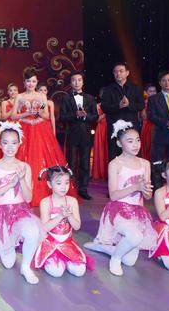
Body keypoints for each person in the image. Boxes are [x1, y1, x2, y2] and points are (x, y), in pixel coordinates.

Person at [84, 120, 155, 276]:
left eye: (137, 140)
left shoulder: (145, 164)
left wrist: (145, 189)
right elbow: (114, 195)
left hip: (137, 212)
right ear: (119, 143)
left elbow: (148, 195)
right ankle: (115, 259)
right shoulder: (115, 164)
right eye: (130, 141)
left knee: (129, 261)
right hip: (118, 210)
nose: (135, 144)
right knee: (135, 237)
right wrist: (135, 187)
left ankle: (104, 247)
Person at [0, 122, 41, 284]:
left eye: (14, 142)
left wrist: (21, 179)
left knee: (33, 231)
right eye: (6, 142)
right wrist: (9, 184)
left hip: (19, 211)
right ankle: (10, 242)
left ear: (19, 143)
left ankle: (26, 267)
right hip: (0, 214)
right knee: (8, 264)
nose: (10, 147)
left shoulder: (24, 167)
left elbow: (28, 198)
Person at [11, 67, 76, 206]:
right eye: (28, 81)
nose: (31, 84)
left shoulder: (41, 96)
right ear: (24, 82)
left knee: (42, 156)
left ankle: (44, 190)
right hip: (25, 129)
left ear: (36, 82)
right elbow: (14, 115)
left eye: (33, 81)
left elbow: (46, 115)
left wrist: (39, 112)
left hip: (40, 130)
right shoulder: (20, 96)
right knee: (24, 157)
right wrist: (26, 113)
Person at [34, 166, 87, 277]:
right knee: (56, 272)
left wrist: (69, 215)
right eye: (59, 183)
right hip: (50, 244)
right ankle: (56, 262)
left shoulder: (72, 201)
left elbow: (77, 226)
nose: (63, 187)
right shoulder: (45, 202)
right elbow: (45, 228)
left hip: (67, 243)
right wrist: (61, 216)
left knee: (79, 271)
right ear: (49, 184)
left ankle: (66, 261)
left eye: (67, 182)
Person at [59, 71, 98, 200]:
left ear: (83, 82)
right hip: (72, 134)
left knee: (85, 163)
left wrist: (86, 115)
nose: (77, 82)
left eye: (79, 80)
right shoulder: (66, 98)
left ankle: (83, 189)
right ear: (70, 83)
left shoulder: (90, 98)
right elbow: (62, 117)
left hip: (86, 134)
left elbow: (95, 116)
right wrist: (75, 114)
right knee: (71, 162)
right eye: (74, 80)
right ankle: (69, 188)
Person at [100, 63, 144, 160]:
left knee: (133, 152)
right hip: (114, 127)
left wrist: (129, 105)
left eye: (121, 71)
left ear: (127, 73)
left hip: (131, 126)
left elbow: (141, 105)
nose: (118, 74)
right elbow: (104, 107)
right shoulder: (108, 89)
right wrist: (118, 106)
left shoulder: (136, 88)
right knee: (114, 153)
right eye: (115, 72)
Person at [91, 89, 109, 181]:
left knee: (108, 149)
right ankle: (100, 171)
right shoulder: (98, 105)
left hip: (110, 127)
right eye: (103, 94)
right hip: (101, 128)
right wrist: (106, 113)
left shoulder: (112, 105)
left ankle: (108, 172)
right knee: (101, 148)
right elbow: (97, 119)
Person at [140, 84, 157, 161]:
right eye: (150, 91)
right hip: (147, 127)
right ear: (146, 93)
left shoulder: (160, 102)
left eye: (154, 91)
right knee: (147, 147)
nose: (153, 93)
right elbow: (144, 117)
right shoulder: (144, 103)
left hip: (158, 128)